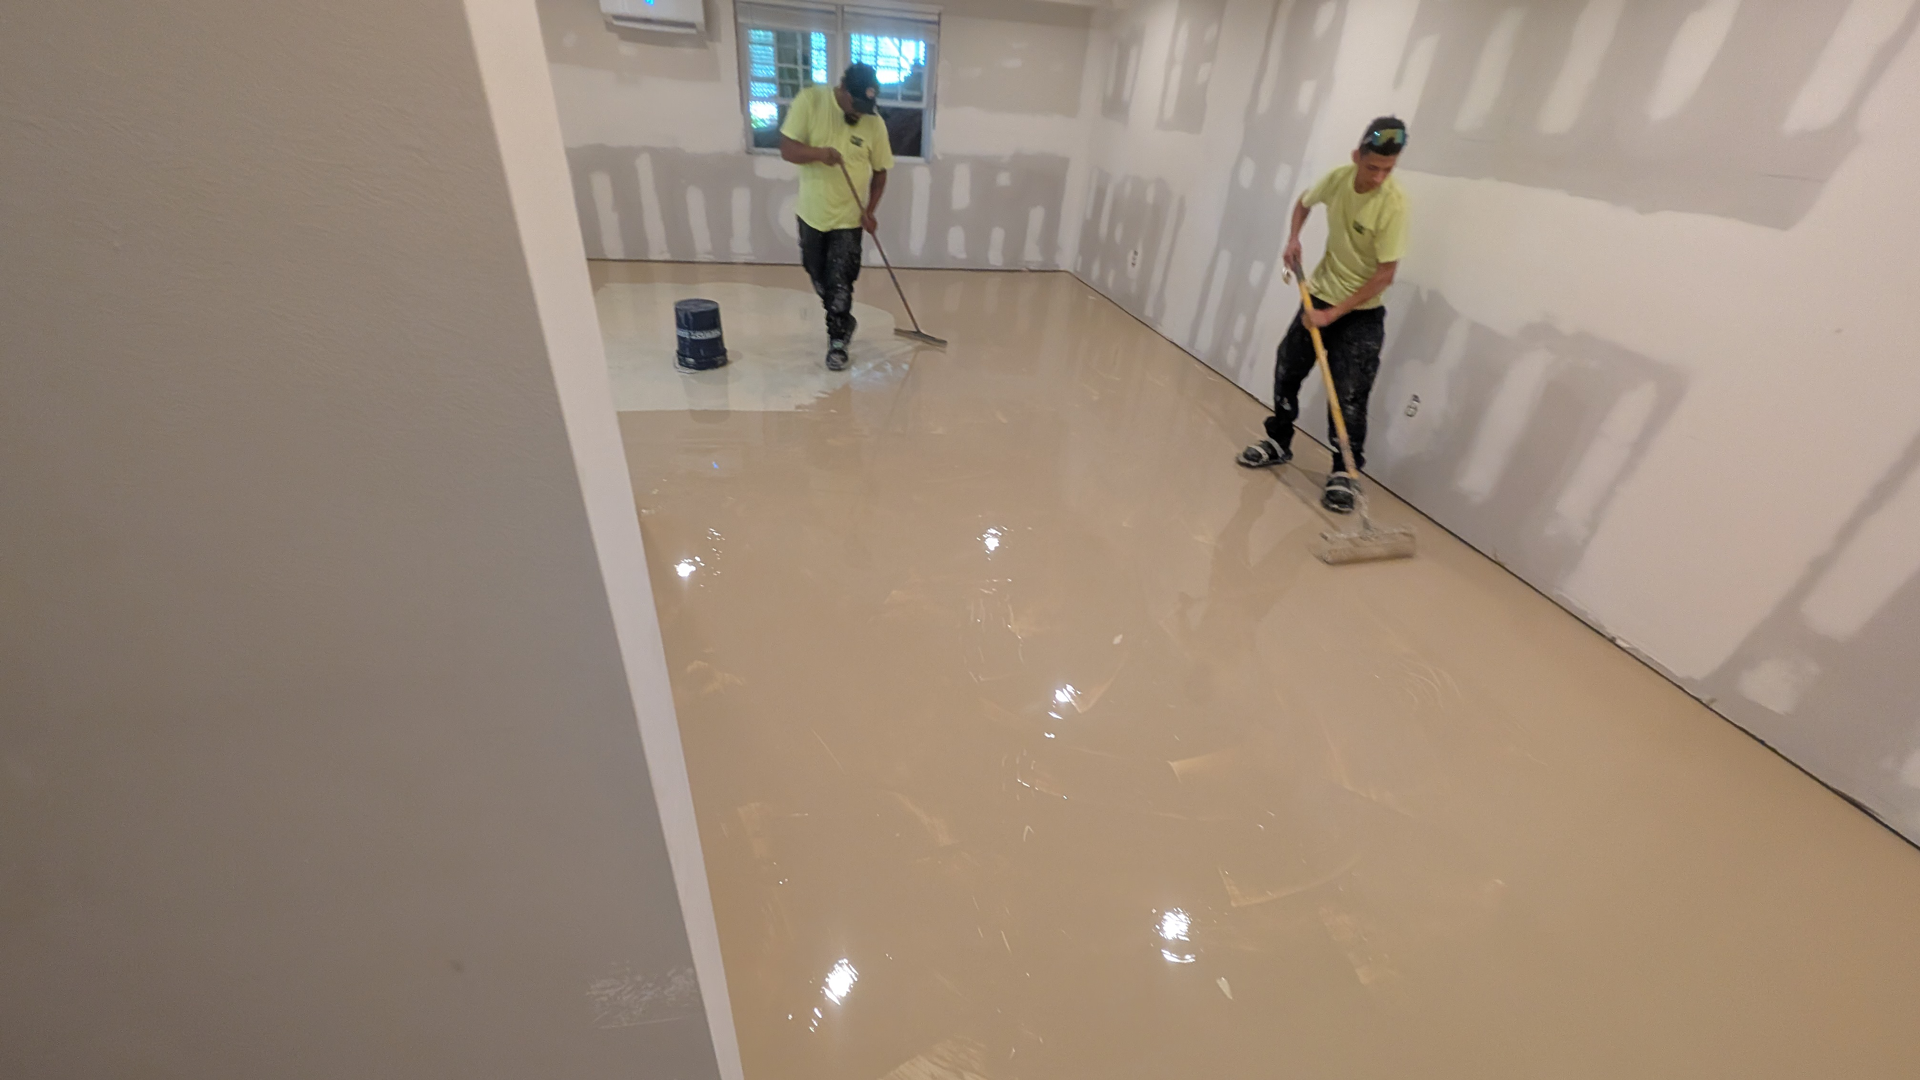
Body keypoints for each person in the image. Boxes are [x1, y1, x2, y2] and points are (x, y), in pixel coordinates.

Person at [1238, 117, 1409, 513]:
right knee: (1288, 369)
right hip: (1318, 296)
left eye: (1388, 169)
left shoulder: (1394, 205)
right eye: (1373, 167)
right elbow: (1303, 202)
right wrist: (1294, 238)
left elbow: (1386, 274)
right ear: (1356, 157)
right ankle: (1278, 441)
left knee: (1348, 396)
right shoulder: (1337, 179)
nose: (1380, 177)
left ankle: (1345, 475)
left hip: (1360, 313)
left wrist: (1333, 316)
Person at [779, 64, 895, 371]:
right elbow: (787, 149)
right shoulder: (811, 101)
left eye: (866, 108)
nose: (860, 114)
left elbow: (881, 172)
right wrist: (820, 154)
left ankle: (838, 340)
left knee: (840, 281)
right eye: (855, 105)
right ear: (842, 90)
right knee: (817, 275)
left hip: (848, 219)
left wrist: (870, 211)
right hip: (812, 216)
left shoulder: (874, 124)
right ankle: (844, 318)